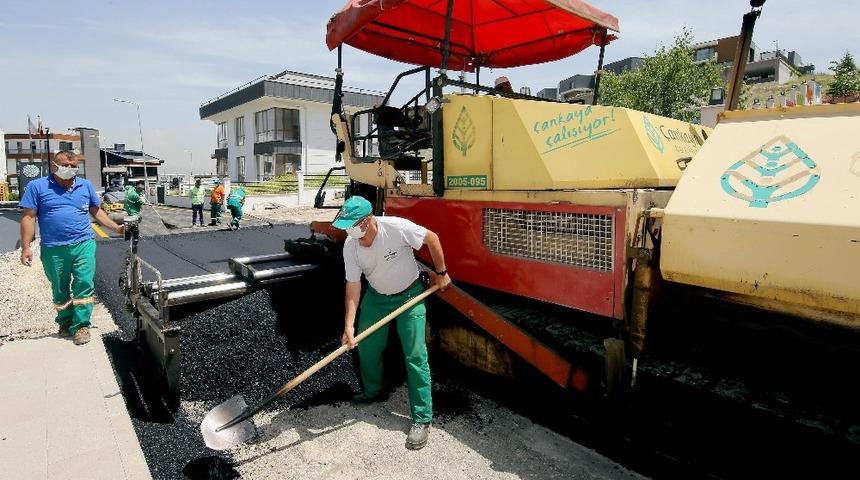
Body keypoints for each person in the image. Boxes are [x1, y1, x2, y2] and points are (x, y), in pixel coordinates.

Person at [334, 196, 451, 450]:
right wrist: (349, 326)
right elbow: (353, 285)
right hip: (377, 298)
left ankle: (422, 419)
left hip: (410, 295)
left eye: (351, 225)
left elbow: (431, 238)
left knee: (415, 354)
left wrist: (441, 273)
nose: (349, 231)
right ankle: (374, 392)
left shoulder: (397, 228)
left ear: (367, 221)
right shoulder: (350, 246)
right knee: (366, 346)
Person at [19, 151, 125, 345]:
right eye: (65, 165)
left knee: (84, 283)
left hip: (84, 243)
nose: (70, 169)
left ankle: (82, 325)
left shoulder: (85, 186)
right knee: (59, 288)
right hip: (53, 248)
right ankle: (65, 321)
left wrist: (116, 228)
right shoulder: (37, 187)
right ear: (54, 166)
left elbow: (96, 211)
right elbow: (28, 217)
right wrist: (25, 247)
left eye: (73, 165)